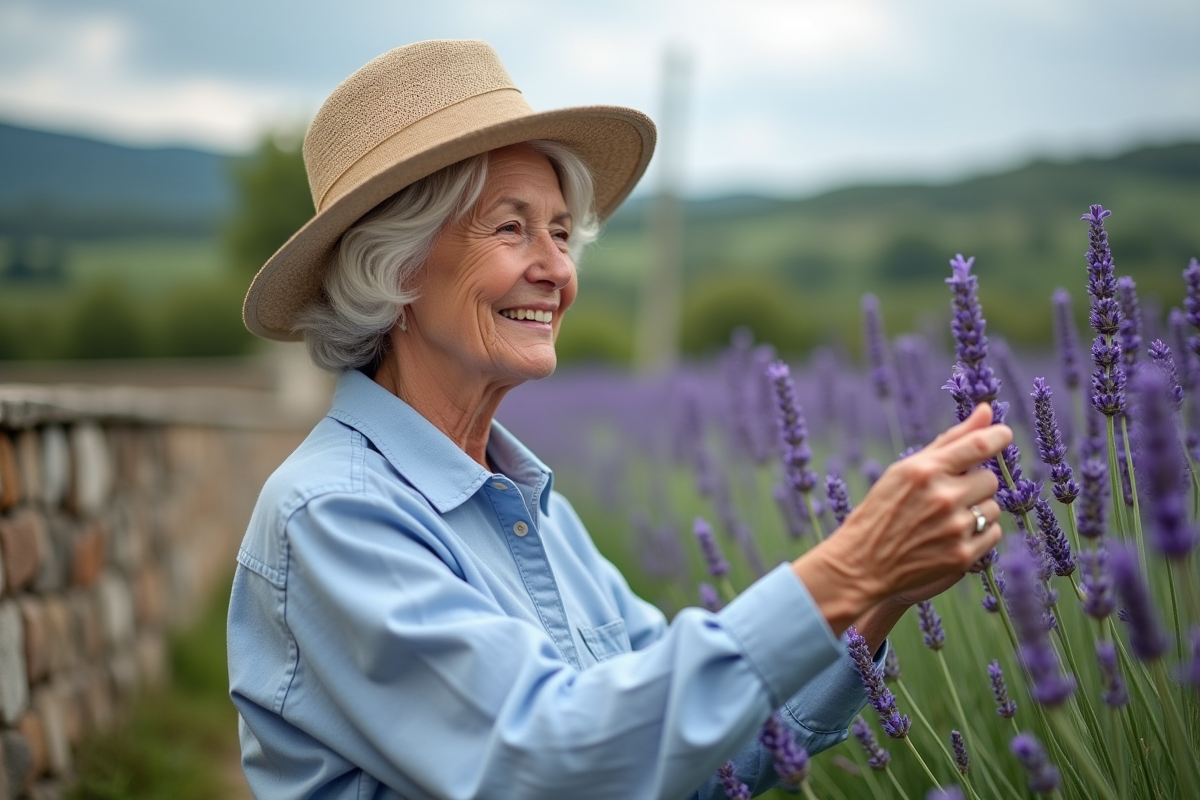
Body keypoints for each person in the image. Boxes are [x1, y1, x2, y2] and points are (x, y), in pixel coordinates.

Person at [227, 40, 1010, 800]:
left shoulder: (536, 512)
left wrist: (884, 596)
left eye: (562, 232)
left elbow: (698, 763)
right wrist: (847, 568)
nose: (558, 268)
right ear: (393, 266)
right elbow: (551, 766)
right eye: (512, 227)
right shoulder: (335, 515)